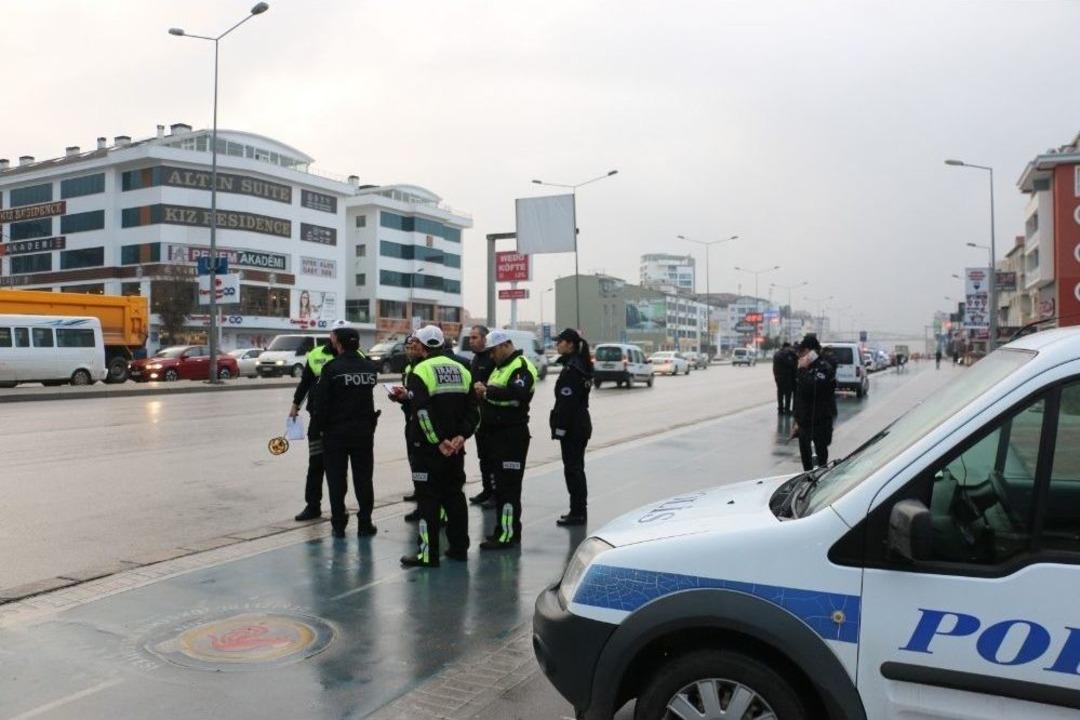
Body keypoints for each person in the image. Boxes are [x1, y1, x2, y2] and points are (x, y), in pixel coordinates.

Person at [399, 325, 477, 568]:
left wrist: (438, 440)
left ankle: (427, 554)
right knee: (455, 496)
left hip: (428, 448)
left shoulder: (420, 370)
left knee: (427, 500)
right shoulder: (463, 368)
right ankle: (459, 548)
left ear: (422, 347)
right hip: (456, 448)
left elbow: (421, 412)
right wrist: (461, 437)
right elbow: (474, 411)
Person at [312, 326, 380, 538]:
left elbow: (321, 404)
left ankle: (339, 524)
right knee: (364, 478)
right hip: (363, 432)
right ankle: (365, 522)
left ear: (338, 344)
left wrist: (315, 430)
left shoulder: (332, 368)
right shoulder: (369, 368)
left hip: (336, 434)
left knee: (336, 479)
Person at [474, 329, 538, 550]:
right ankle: (504, 530)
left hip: (512, 436)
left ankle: (507, 535)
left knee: (509, 488)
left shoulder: (520, 367)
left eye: (493, 351)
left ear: (504, 345)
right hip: (496, 434)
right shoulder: (500, 368)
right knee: (501, 488)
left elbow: (516, 394)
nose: (491, 356)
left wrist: (486, 392)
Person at [289, 327, 341, 521]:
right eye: (335, 333)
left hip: (340, 421)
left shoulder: (354, 354)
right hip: (318, 421)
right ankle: (313, 505)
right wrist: (296, 405)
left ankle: (339, 508)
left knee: (338, 467)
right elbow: (305, 383)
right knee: (316, 463)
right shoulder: (316, 354)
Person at [550, 328, 593, 527]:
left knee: (573, 470)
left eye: (559, 341)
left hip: (573, 426)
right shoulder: (578, 364)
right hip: (580, 424)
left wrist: (559, 428)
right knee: (576, 469)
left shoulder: (572, 369)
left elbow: (566, 404)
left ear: (569, 344)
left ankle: (578, 512)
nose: (557, 345)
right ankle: (578, 510)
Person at [389, 335, 424, 521]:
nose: (410, 351)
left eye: (413, 347)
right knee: (413, 458)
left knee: (422, 461)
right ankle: (418, 490)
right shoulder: (409, 367)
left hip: (421, 421)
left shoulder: (423, 366)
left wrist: (407, 396)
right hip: (409, 417)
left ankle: (424, 504)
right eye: (407, 348)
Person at [792, 334, 837, 471]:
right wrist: (797, 421)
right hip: (805, 424)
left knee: (820, 465)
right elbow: (800, 397)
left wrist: (802, 369)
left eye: (803, 352)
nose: (800, 356)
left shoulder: (823, 368)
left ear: (811, 352)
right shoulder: (807, 368)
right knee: (807, 466)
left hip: (819, 424)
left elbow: (810, 388)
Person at [466, 325, 498, 508]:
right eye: (470, 337)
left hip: (492, 414)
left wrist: (484, 387)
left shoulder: (492, 358)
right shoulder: (474, 360)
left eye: (475, 337)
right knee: (483, 456)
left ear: (485, 339)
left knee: (493, 457)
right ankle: (486, 490)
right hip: (479, 416)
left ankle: (495, 493)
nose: (471, 340)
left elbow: (497, 382)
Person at [772, 341, 797, 415]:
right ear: (787, 347)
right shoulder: (786, 354)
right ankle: (787, 409)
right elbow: (791, 364)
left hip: (778, 377)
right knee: (787, 394)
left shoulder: (776, 353)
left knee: (780, 393)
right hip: (786, 377)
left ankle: (780, 409)